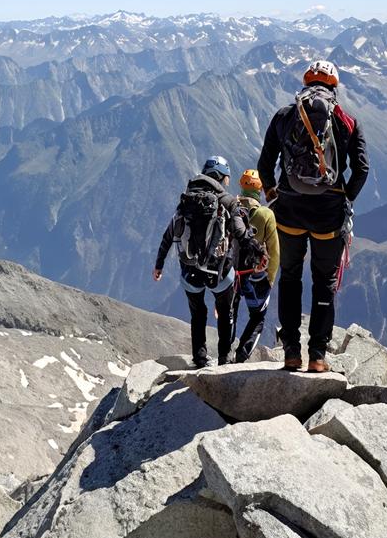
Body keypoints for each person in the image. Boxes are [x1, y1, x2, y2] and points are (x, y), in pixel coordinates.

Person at [256, 60, 368, 372]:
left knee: (290, 278)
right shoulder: (347, 121)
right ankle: (318, 356)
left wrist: (274, 195)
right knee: (324, 283)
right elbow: (361, 169)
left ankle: (291, 350)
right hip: (328, 216)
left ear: (306, 84)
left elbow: (265, 165)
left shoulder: (285, 115)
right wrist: (345, 197)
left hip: (289, 212)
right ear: (335, 86)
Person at [154, 156, 258, 368]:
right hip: (220, 271)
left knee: (198, 313)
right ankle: (223, 358)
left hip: (190, 270)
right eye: (227, 177)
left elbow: (169, 234)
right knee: (226, 313)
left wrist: (159, 265)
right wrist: (256, 250)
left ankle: (200, 358)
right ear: (221, 177)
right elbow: (240, 232)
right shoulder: (228, 201)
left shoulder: (185, 201)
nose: (228, 181)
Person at [232, 169, 279, 363]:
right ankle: (242, 354)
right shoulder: (266, 214)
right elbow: (274, 250)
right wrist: (270, 278)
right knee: (258, 316)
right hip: (255, 276)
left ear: (242, 186)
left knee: (230, 313)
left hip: (231, 273)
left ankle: (225, 352)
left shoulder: (230, 208)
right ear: (259, 190)